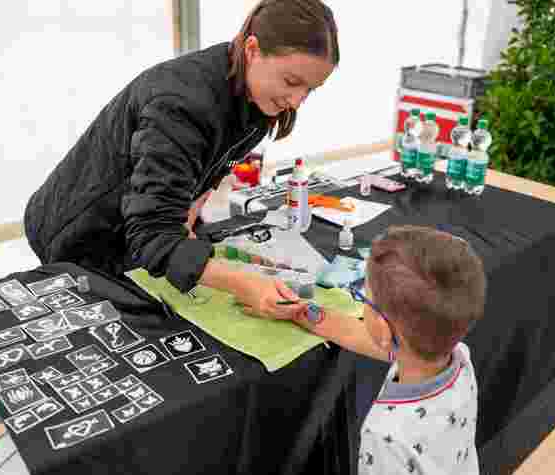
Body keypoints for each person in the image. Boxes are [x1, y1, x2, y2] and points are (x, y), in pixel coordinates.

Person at [23, 0, 338, 320]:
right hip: (79, 227)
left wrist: (186, 224)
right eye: (291, 82)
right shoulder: (181, 104)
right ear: (253, 50)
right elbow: (152, 233)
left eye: (309, 90)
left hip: (136, 224)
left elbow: (212, 169)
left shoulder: (257, 97)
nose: (297, 101)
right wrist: (243, 283)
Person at [292, 225, 487, 474]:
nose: (361, 302)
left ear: (384, 330)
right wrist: (305, 314)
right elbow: (367, 338)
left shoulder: (385, 434)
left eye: (364, 297)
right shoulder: (458, 357)